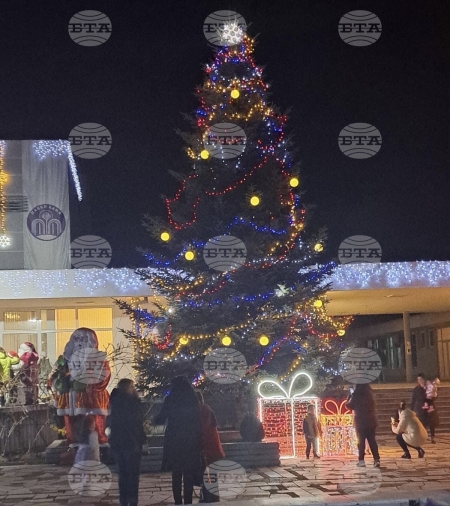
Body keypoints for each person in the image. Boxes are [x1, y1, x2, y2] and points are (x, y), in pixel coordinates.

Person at [49, 328, 110, 444]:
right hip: (69, 403)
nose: (80, 343)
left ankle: (96, 448)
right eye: (77, 340)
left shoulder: (98, 360)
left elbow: (103, 379)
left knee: (93, 430)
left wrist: (86, 383)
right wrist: (59, 381)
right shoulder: (66, 360)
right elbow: (54, 378)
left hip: (90, 402)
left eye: (84, 340)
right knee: (72, 432)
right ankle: (73, 447)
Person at [154, 376, 202, 505]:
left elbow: (161, 418)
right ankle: (188, 500)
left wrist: (153, 420)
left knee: (176, 473)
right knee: (188, 473)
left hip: (174, 440)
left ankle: (178, 501)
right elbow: (198, 419)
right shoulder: (193, 399)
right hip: (190, 439)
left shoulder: (170, 399)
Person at [108, 378, 147, 506]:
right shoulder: (133, 403)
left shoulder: (114, 402)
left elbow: (111, 422)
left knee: (123, 473)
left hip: (118, 442)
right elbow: (137, 424)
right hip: (132, 442)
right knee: (133, 474)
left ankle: (123, 500)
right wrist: (143, 439)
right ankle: (133, 500)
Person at [195, 391, 224, 503]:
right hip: (212, 447)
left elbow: (204, 428)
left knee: (208, 474)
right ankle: (211, 497)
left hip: (208, 448)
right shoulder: (206, 409)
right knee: (211, 474)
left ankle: (210, 497)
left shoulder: (203, 410)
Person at [346, 383, 380, 468]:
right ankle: (376, 459)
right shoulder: (370, 395)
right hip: (371, 421)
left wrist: (350, 396)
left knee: (361, 442)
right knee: (372, 441)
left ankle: (361, 460)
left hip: (361, 422)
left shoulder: (356, 396)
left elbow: (349, 406)